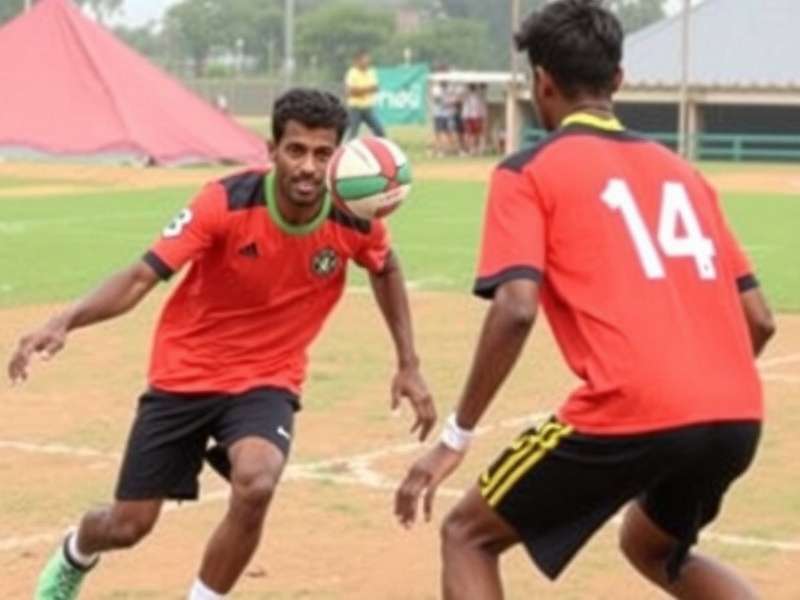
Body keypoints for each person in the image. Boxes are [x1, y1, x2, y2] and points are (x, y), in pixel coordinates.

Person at [394, 2, 775, 599]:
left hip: (637, 405)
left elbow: (516, 307)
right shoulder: (684, 173)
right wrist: (700, 391)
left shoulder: (528, 172)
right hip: (737, 412)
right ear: (618, 80)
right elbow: (759, 319)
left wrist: (456, 437)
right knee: (654, 548)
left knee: (468, 534)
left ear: (540, 81)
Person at [10, 88, 436, 600]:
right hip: (185, 372)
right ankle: (77, 550)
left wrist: (408, 363)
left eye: (323, 154)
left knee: (257, 481)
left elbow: (385, 265)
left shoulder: (354, 216)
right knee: (129, 525)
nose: (308, 166)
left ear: (339, 157)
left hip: (266, 378)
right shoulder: (224, 201)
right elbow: (141, 277)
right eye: (296, 150)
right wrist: (66, 320)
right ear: (271, 150)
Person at [344, 49, 386, 140]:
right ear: (357, 61)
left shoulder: (371, 72)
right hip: (355, 108)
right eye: (364, 60)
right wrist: (367, 89)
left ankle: (381, 148)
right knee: (352, 133)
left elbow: (375, 88)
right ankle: (348, 151)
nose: (367, 62)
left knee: (379, 130)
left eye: (368, 60)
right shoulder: (352, 73)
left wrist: (359, 90)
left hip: (368, 107)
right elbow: (350, 92)